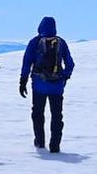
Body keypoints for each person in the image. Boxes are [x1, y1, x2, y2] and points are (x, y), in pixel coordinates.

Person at [19, 16, 75, 153]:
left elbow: (27, 62)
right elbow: (70, 64)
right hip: (57, 86)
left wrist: (23, 80)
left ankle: (39, 141)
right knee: (57, 115)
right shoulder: (61, 43)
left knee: (38, 113)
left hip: (39, 85)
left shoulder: (35, 42)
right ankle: (55, 145)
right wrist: (64, 77)